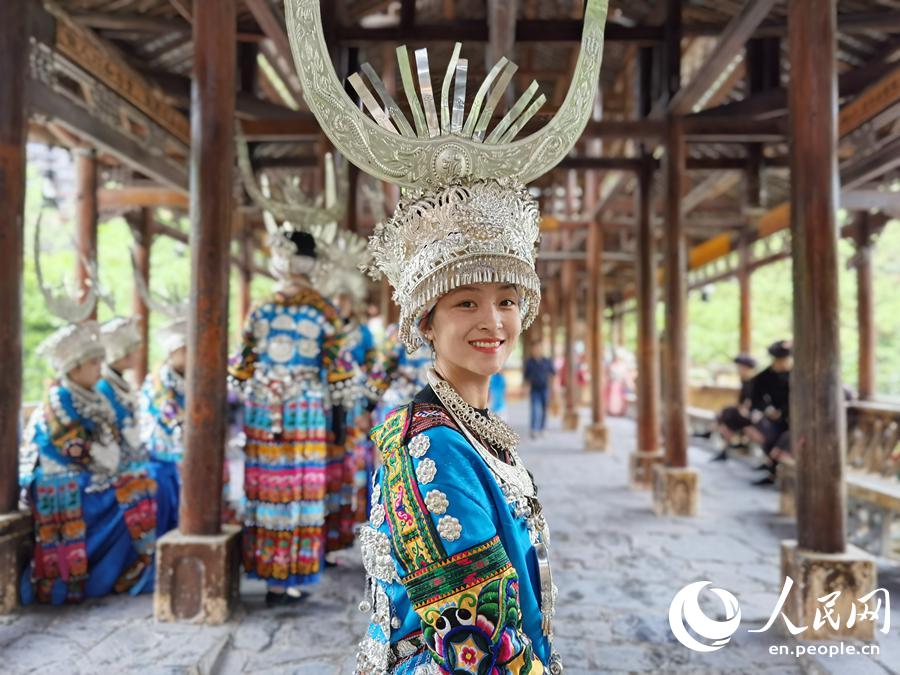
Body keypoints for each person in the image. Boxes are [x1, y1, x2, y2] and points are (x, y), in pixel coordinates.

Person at [229, 223, 356, 607]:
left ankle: (268, 573)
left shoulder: (260, 311)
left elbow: (240, 368)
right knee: (299, 490)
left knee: (267, 490)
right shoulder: (324, 311)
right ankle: (292, 577)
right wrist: (340, 421)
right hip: (304, 412)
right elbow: (340, 374)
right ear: (312, 265)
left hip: (264, 411)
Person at [20, 322, 156, 604]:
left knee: (139, 486)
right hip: (57, 476)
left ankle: (117, 575)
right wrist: (108, 464)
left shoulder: (92, 395)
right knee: (121, 498)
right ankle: (92, 580)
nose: (99, 367)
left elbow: (112, 438)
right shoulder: (60, 398)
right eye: (93, 362)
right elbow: (74, 448)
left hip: (88, 471)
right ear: (74, 368)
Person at [140, 319, 189, 536]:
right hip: (162, 455)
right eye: (185, 350)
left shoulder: (190, 377)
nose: (191, 354)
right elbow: (170, 415)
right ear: (173, 352)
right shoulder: (158, 381)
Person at [747, 340, 792, 486]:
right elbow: (756, 399)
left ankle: (774, 466)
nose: (783, 363)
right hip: (774, 418)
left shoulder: (797, 374)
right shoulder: (764, 377)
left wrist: (785, 411)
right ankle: (772, 469)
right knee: (767, 432)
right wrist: (768, 410)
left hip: (794, 417)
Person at [710, 354, 757, 462]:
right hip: (743, 413)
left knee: (727, 415)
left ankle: (723, 447)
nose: (738, 369)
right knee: (727, 414)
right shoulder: (745, 382)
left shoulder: (755, 381)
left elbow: (754, 403)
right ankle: (724, 448)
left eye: (740, 367)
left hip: (752, 415)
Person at [523, 342, 555, 438]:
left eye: (538, 348)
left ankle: (542, 428)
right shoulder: (530, 362)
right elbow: (527, 378)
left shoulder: (546, 361)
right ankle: (534, 429)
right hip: (534, 389)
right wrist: (525, 389)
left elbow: (552, 375)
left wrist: (553, 389)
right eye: (534, 349)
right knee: (535, 409)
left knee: (544, 409)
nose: (536, 351)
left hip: (545, 388)